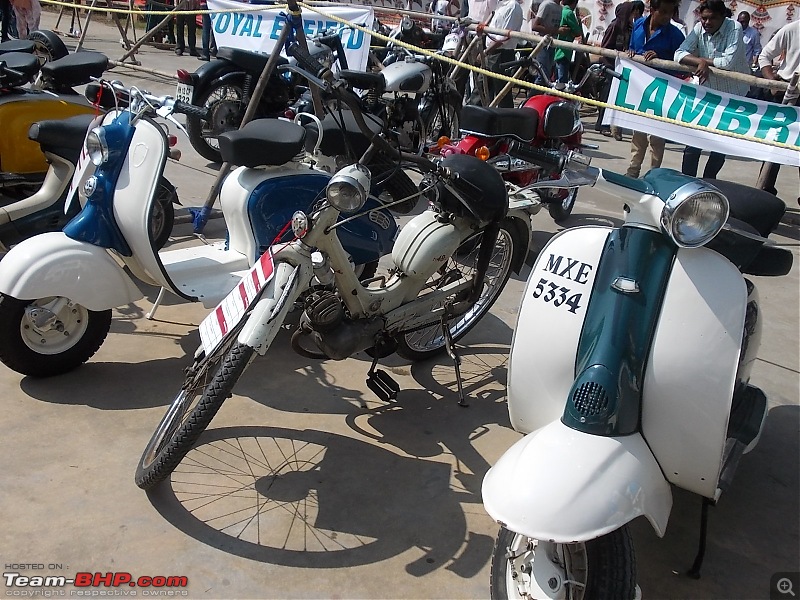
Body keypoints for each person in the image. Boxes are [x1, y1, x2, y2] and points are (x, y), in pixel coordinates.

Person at [674, 0, 750, 178]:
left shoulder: (734, 28)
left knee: (719, 144)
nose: (707, 23)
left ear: (723, 16)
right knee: (693, 141)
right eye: (704, 18)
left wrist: (702, 60)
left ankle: (709, 182)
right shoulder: (699, 28)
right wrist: (700, 61)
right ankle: (688, 181)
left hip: (733, 94)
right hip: (707, 92)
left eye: (712, 18)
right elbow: (679, 53)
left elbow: (727, 63)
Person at [625, 0, 685, 178]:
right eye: (664, 12)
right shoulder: (638, 24)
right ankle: (633, 169)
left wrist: (661, 58)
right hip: (639, 86)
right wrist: (631, 52)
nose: (667, 16)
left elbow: (681, 62)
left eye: (670, 12)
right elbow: (632, 47)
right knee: (638, 132)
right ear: (653, 10)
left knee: (657, 136)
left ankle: (653, 173)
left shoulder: (675, 34)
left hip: (662, 90)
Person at [756, 19, 800, 200]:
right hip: (786, 91)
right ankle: (764, 194)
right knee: (775, 147)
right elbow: (764, 56)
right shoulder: (792, 29)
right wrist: (772, 82)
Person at [595, 0, 644, 138]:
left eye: (638, 12)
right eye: (634, 12)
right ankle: (602, 125)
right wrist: (615, 56)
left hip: (622, 67)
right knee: (606, 96)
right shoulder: (615, 26)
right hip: (610, 66)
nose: (636, 15)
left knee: (618, 98)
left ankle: (616, 126)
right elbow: (605, 47)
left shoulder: (631, 28)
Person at [469, 0, 522, 107]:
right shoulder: (500, 5)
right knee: (480, 88)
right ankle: (474, 117)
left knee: (502, 93)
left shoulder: (513, 6)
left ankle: (505, 121)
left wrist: (485, 52)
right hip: (492, 53)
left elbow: (503, 37)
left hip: (502, 55)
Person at [529, 0, 563, 85]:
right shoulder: (546, 5)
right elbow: (535, 26)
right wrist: (557, 31)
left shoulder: (560, 8)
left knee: (547, 77)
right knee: (542, 76)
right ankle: (532, 97)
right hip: (543, 45)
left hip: (553, 46)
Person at [553, 0, 583, 84]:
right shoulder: (569, 13)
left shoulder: (561, 10)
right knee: (562, 81)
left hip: (557, 48)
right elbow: (578, 32)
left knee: (556, 78)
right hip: (564, 51)